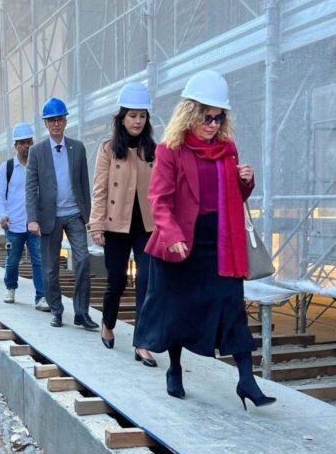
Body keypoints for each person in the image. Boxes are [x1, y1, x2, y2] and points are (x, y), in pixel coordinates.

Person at [135, 70, 276, 409]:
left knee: (232, 307)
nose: (213, 124)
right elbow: (159, 200)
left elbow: (233, 198)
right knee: (177, 311)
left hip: (222, 245)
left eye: (218, 117)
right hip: (182, 244)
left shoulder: (227, 150)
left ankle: (247, 381)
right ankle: (175, 368)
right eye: (207, 117)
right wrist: (171, 234)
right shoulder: (171, 150)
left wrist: (246, 182)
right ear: (190, 114)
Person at [89, 83, 157, 367]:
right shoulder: (108, 150)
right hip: (116, 226)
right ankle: (108, 323)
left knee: (146, 282)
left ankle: (142, 342)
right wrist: (96, 225)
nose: (137, 121)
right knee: (116, 282)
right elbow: (100, 190)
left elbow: (161, 190)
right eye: (132, 116)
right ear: (122, 118)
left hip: (147, 227)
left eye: (142, 116)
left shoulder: (153, 150)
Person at [26, 98, 97, 329]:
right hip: (49, 216)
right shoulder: (37, 152)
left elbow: (84, 183)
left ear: (66, 121)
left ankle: (81, 313)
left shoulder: (77, 148)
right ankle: (56, 310)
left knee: (83, 259)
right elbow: (31, 187)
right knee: (50, 267)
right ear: (45, 124)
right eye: (52, 120)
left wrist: (89, 216)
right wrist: (32, 219)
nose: (56, 124)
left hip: (75, 214)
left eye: (60, 119)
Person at [0, 122, 50, 310]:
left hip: (35, 224)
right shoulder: (7, 167)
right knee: (12, 260)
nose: (27, 146)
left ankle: (41, 297)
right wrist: (2, 216)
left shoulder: (38, 165)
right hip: (14, 224)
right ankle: (10, 287)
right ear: (16, 145)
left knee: (39, 260)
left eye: (29, 142)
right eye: (23, 143)